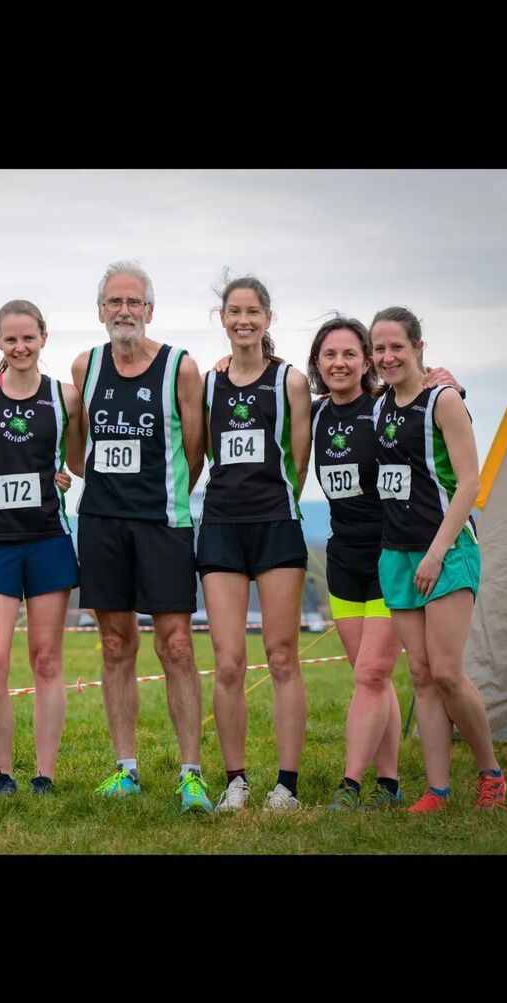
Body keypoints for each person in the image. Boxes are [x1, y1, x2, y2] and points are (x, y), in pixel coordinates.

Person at [71, 260, 211, 813]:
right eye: (114, 302)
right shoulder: (86, 365)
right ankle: (125, 769)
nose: (123, 311)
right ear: (101, 310)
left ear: (150, 310)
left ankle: (191, 774)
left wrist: (164, 493)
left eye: (133, 302)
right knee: (113, 645)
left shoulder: (181, 366)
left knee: (176, 643)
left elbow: (195, 451)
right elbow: (75, 447)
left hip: (164, 522)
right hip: (102, 521)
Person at [308, 316, 461, 811]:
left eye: (350, 354)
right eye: (329, 355)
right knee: (368, 677)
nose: (340, 363)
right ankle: (389, 783)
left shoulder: (385, 407)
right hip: (342, 559)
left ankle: (350, 786)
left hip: (391, 554)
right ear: (317, 363)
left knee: (372, 673)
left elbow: (436, 411)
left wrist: (450, 381)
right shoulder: (313, 415)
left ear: (367, 361)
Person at [371, 306, 507, 812]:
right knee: (423, 676)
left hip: (447, 553)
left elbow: (469, 483)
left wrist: (435, 553)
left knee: (448, 672)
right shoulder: (380, 404)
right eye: (379, 349)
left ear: (419, 348)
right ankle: (438, 790)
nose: (388, 357)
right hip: (397, 554)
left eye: (397, 348)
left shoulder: (444, 400)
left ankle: (491, 773)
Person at [198, 275, 312, 812]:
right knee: (227, 663)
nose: (243, 320)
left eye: (253, 311)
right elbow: (195, 454)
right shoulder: (207, 382)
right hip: (220, 526)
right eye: (234, 311)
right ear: (222, 319)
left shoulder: (290, 381)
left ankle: (286, 784)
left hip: (275, 526)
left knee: (283, 656)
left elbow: (301, 463)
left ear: (268, 318)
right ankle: (236, 781)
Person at [0, 299, 85, 796]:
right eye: (10, 339)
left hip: (47, 541)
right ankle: (1, 772)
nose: (19, 347)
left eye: (28, 338)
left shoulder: (65, 397)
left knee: (46, 661)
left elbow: (78, 459)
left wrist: (63, 477)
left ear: (43, 338)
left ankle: (44, 773)